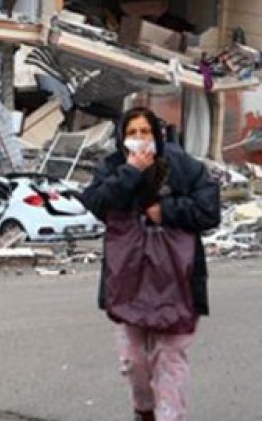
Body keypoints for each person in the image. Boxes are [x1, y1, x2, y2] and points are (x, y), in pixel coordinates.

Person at [79, 107, 220, 421]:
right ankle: (144, 411)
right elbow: (97, 203)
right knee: (133, 360)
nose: (139, 139)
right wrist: (130, 172)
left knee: (169, 356)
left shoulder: (183, 167)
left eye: (145, 132)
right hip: (128, 280)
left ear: (157, 134)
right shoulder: (113, 167)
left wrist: (166, 211)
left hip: (177, 280)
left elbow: (209, 210)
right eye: (132, 133)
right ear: (121, 138)